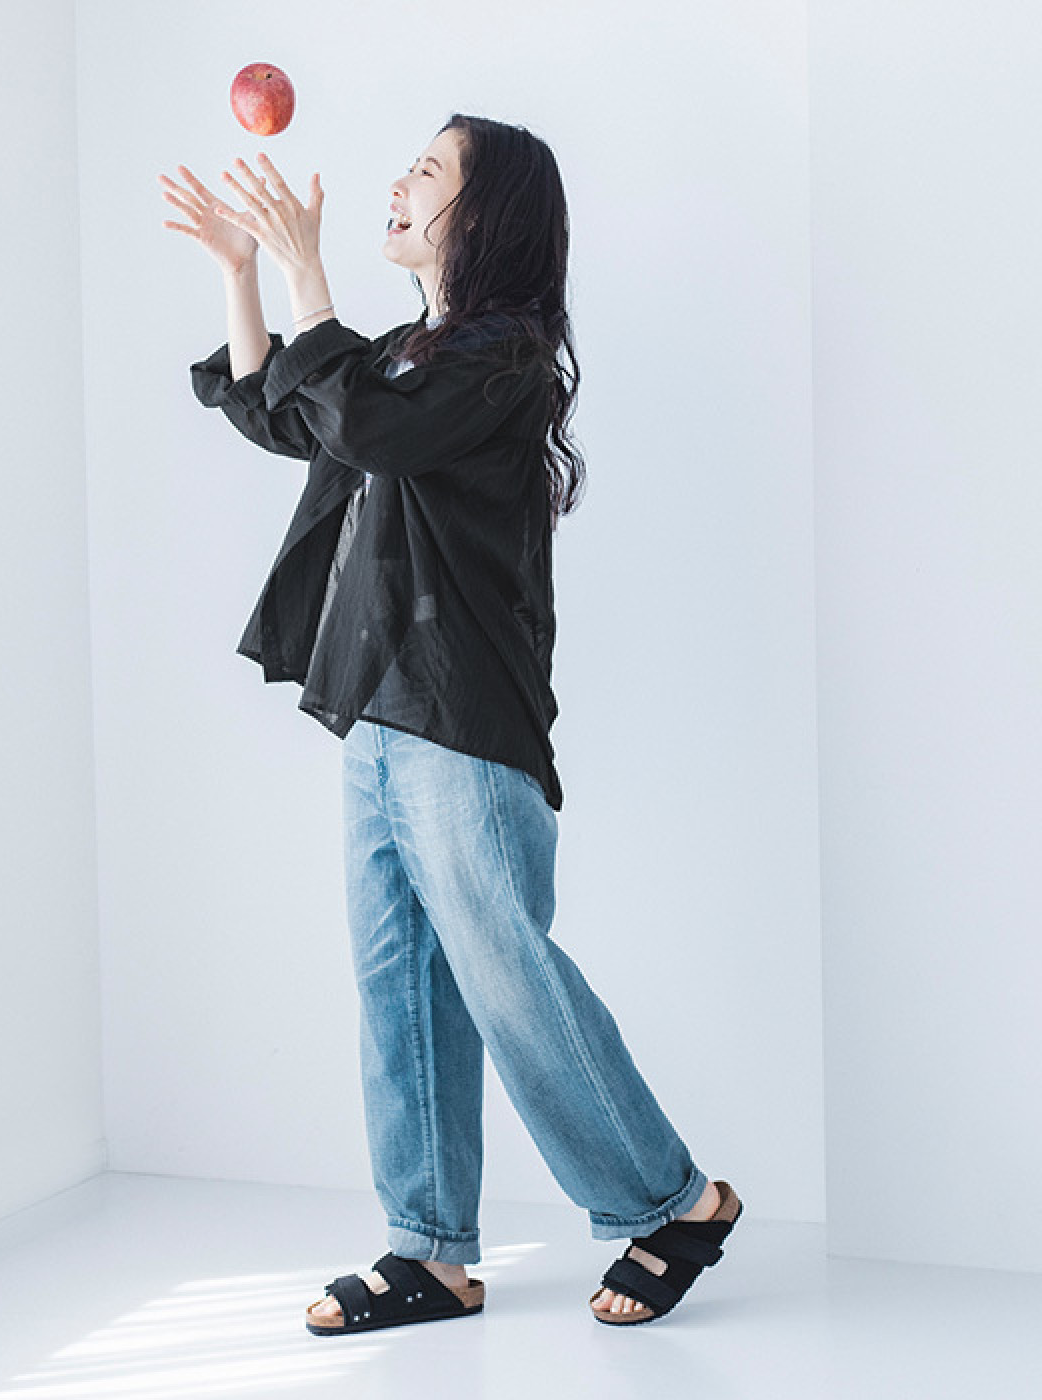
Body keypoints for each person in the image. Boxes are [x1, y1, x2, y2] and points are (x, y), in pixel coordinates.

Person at [158, 113, 743, 1335]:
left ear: (484, 216)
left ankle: (675, 1199)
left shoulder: (503, 359)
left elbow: (368, 424)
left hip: (463, 716)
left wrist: (310, 274)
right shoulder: (403, 355)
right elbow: (288, 414)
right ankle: (429, 1251)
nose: (399, 180)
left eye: (427, 170)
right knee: (401, 980)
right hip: (380, 706)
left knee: (503, 971)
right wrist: (245, 273)